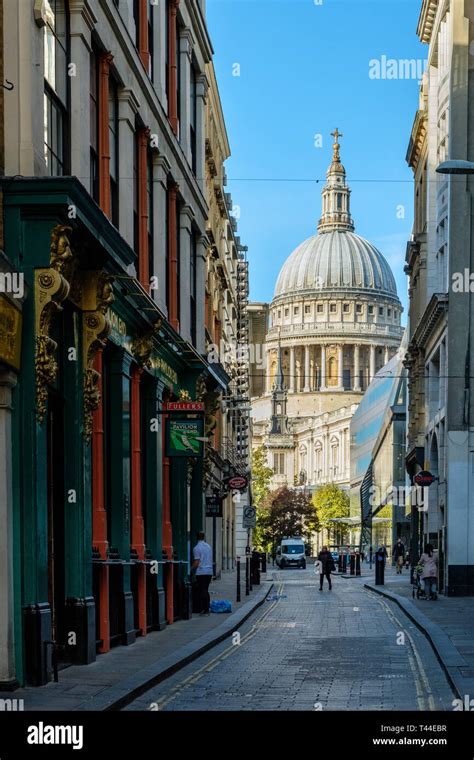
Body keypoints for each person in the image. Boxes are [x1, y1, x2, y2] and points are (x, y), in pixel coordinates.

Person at [192, 531, 213, 615]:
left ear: (196, 537)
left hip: (201, 572)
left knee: (202, 590)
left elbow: (197, 562)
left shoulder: (196, 548)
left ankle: (204, 608)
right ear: (204, 537)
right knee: (206, 589)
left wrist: (190, 569)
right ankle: (206, 608)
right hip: (209, 571)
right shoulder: (208, 547)